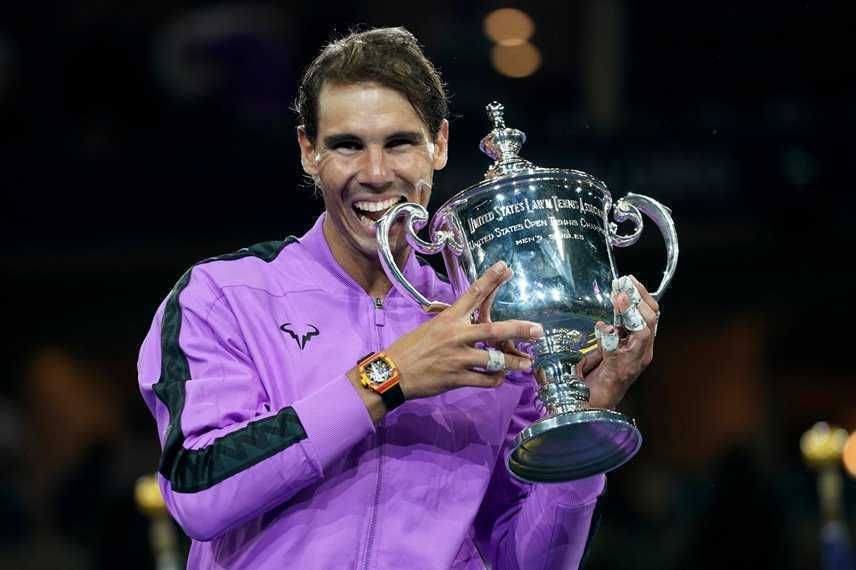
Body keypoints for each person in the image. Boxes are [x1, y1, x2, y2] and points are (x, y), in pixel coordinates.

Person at [137, 26, 660, 569]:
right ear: (308, 152)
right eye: (347, 146)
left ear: (439, 145)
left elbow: (527, 561)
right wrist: (388, 377)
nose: (377, 174)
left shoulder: (493, 324)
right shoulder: (225, 296)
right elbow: (198, 495)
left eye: (399, 142)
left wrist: (584, 426)